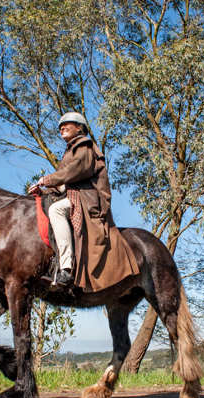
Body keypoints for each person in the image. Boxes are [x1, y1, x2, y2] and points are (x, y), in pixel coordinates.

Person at [29, 112, 139, 291]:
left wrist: (47, 179)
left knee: (56, 209)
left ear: (79, 128)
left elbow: (76, 170)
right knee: (48, 203)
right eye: (60, 126)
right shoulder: (70, 150)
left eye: (67, 124)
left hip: (87, 199)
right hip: (74, 195)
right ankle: (55, 261)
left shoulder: (85, 146)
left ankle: (66, 268)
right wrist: (43, 190)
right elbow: (65, 182)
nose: (62, 127)